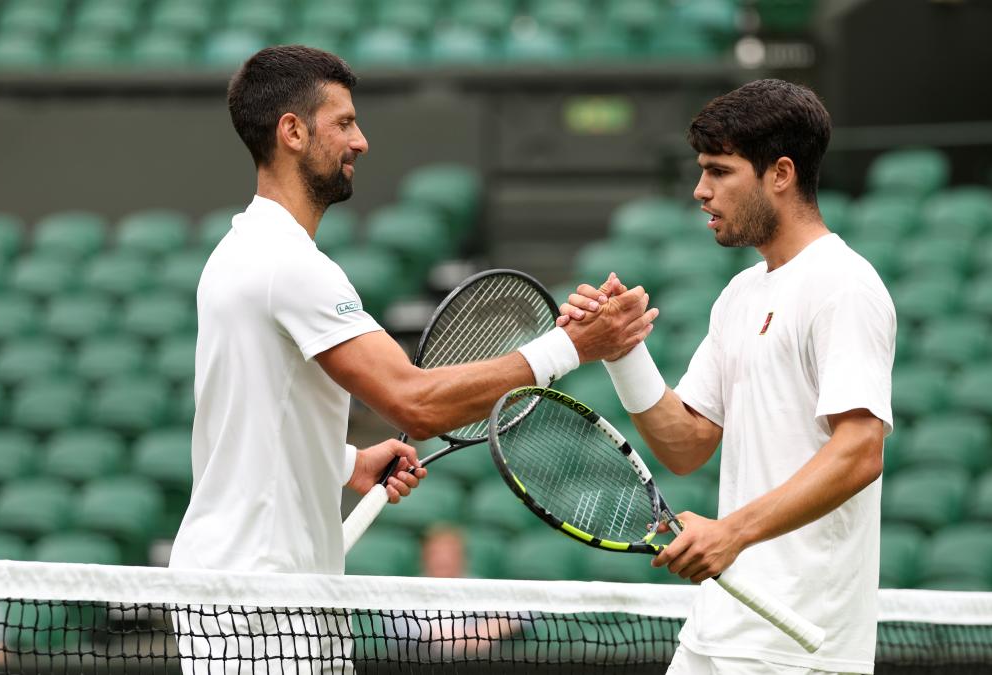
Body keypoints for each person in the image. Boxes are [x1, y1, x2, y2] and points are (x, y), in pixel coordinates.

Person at [167, 45, 656, 674]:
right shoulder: (287, 265)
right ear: (292, 131)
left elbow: (253, 412)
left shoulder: (240, 251)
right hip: (259, 604)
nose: (361, 141)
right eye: (343, 122)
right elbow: (417, 402)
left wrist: (348, 462)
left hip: (256, 595)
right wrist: (574, 347)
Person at [559, 79, 895, 675]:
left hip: (798, 646)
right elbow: (685, 446)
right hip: (716, 631)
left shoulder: (844, 285)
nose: (700, 190)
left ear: (781, 174)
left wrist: (731, 534)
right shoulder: (741, 293)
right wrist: (620, 350)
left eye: (719, 171)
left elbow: (861, 450)